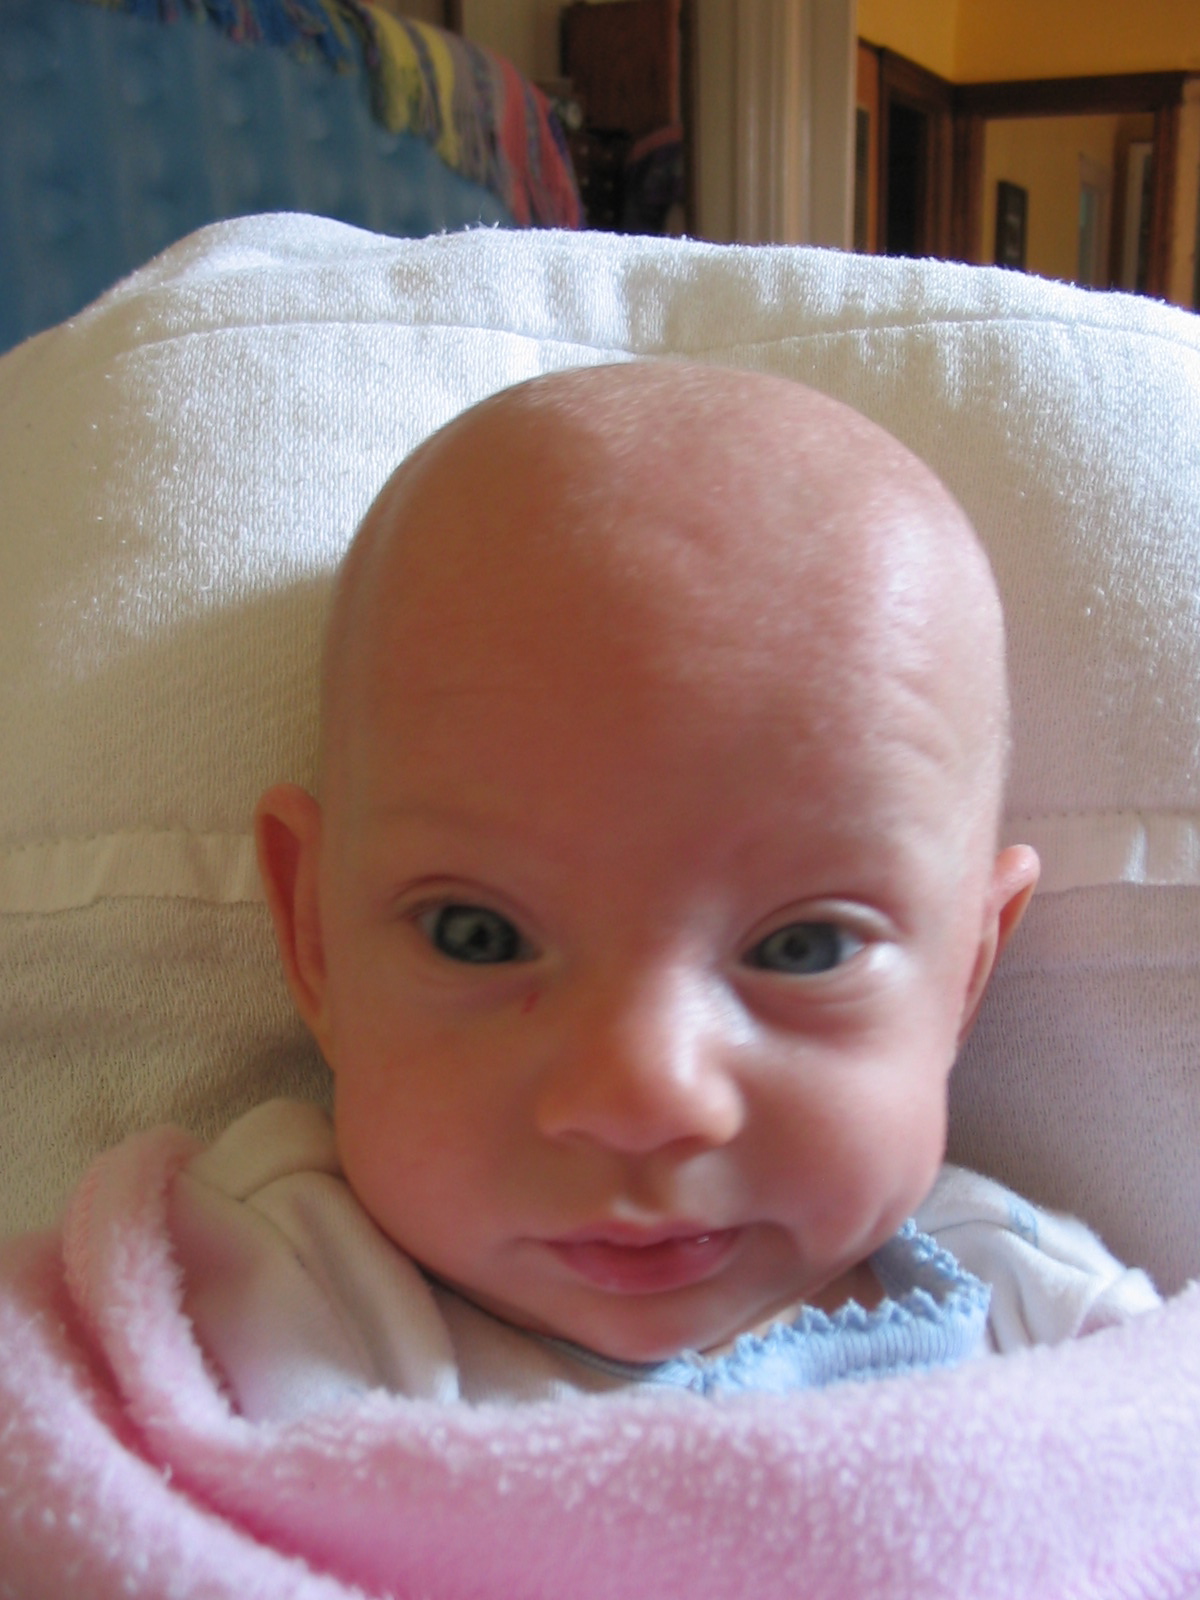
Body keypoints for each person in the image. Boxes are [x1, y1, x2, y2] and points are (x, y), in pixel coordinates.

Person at [169, 362, 1158, 1416]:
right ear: (315, 936)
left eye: (803, 949)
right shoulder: (273, 1297)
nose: (642, 1098)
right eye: (479, 934)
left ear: (967, 971)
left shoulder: (1049, 1320)